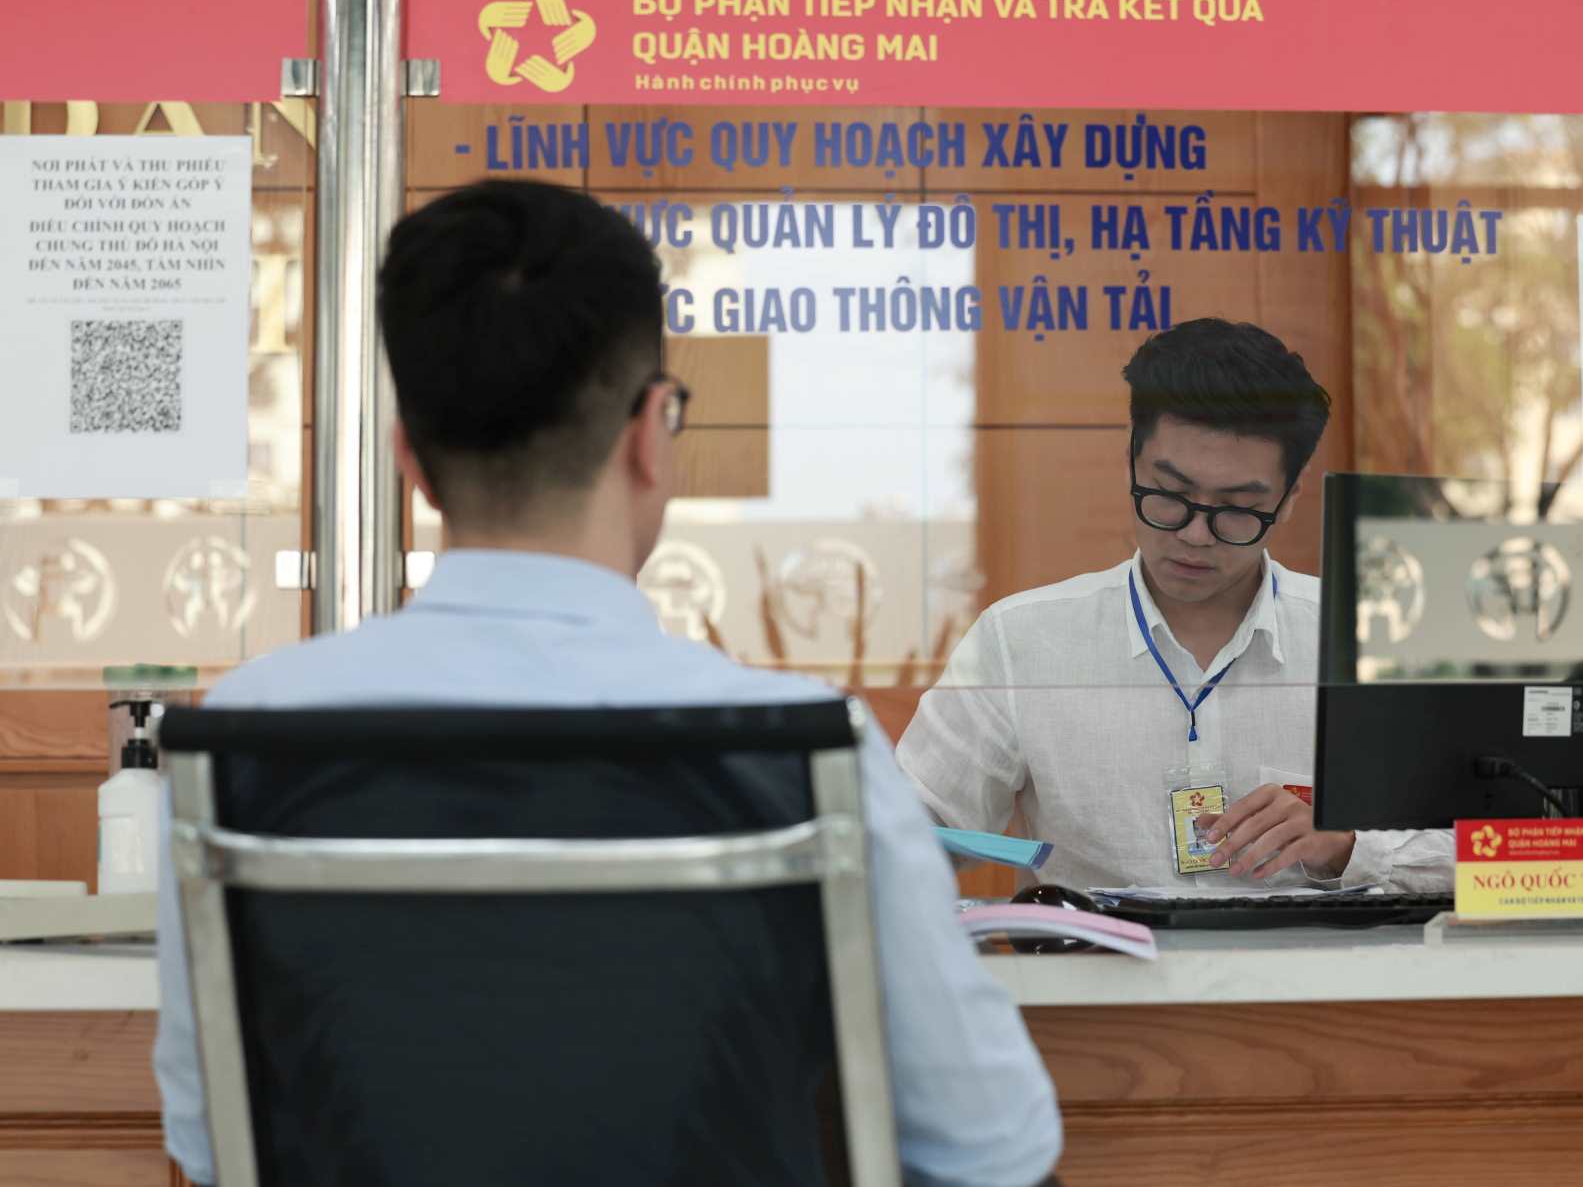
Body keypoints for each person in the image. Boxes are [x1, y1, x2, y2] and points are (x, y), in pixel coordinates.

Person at [152, 181, 1061, 1187]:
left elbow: (212, 1143)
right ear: (649, 431)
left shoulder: (244, 745)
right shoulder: (802, 751)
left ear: (408, 455)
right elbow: (991, 1150)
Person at [897, 319, 1454, 892]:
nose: (1194, 535)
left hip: (1308, 978)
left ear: (1289, 498)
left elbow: (1511, 849)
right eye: (1171, 495)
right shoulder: (1021, 642)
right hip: (1101, 975)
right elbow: (910, 831)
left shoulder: (1370, 642)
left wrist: (1350, 848)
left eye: (1237, 507)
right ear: (1132, 464)